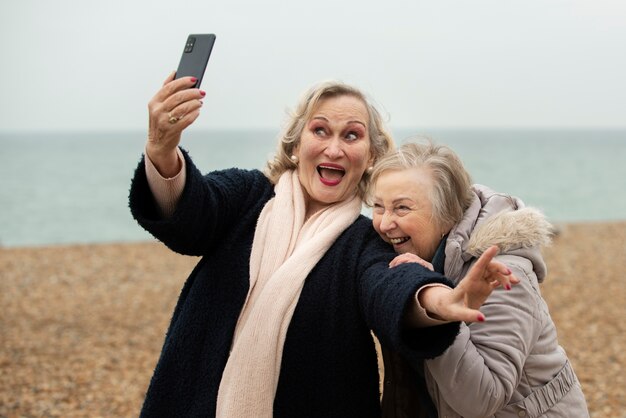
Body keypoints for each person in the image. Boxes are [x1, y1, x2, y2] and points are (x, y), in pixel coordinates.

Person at [129, 74, 517, 418]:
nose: (334, 149)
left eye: (351, 135)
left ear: (369, 158)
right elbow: (192, 216)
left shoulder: (365, 242)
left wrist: (437, 302)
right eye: (320, 131)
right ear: (296, 144)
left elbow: (391, 285)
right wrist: (162, 150)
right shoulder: (247, 196)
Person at [368, 140, 590, 417]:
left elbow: (481, 400)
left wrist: (438, 306)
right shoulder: (413, 251)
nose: (385, 223)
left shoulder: (502, 272)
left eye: (402, 208)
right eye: (378, 207)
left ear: (448, 215)